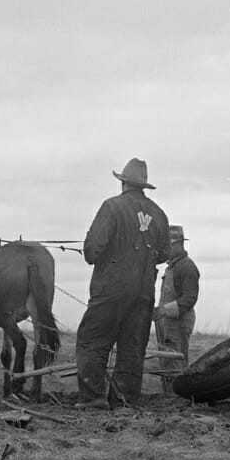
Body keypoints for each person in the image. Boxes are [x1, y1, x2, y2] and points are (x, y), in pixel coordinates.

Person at [75, 158, 171, 409]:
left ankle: (93, 398)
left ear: (123, 183)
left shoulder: (111, 207)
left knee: (92, 341)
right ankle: (124, 401)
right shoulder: (159, 214)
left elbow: (91, 252)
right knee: (132, 348)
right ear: (143, 186)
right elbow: (165, 254)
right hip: (143, 293)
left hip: (111, 290)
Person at [152, 225, 200, 393]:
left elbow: (189, 298)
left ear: (177, 245)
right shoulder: (171, 267)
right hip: (168, 323)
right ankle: (169, 396)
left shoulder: (186, 267)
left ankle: (177, 398)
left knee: (176, 362)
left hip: (178, 324)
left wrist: (164, 310)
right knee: (167, 362)